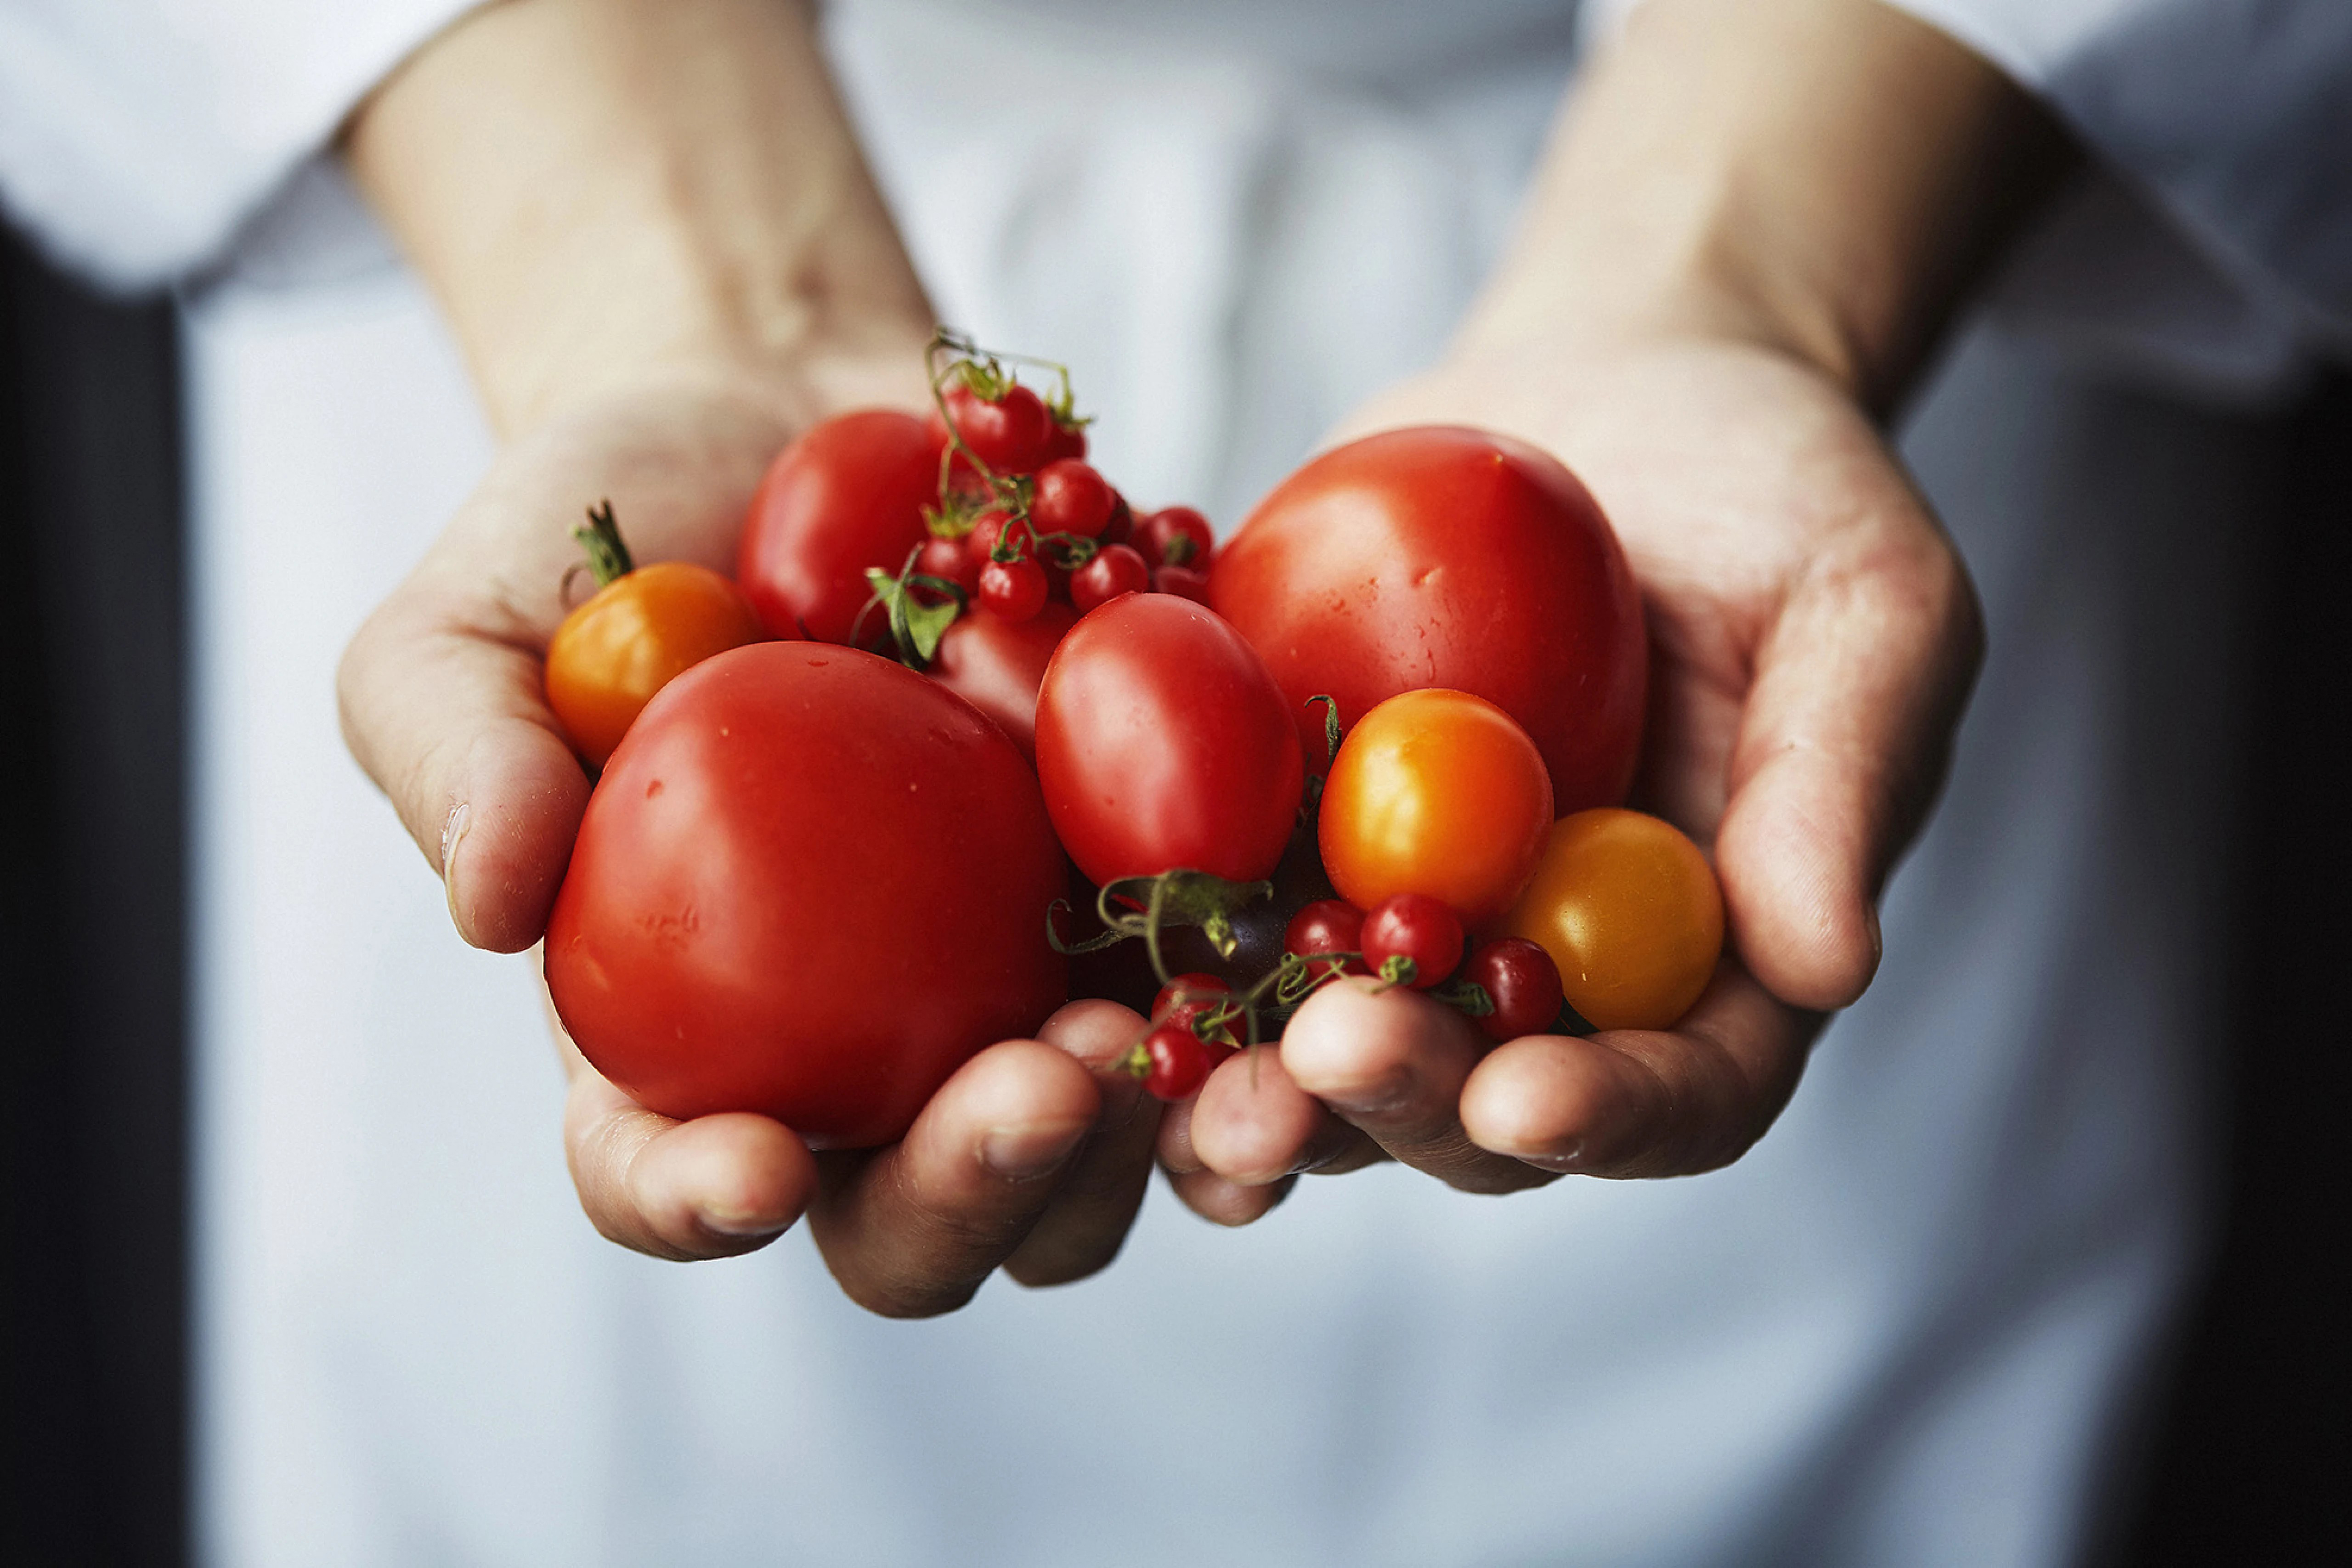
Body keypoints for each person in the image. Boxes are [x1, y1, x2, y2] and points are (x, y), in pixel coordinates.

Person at [4, 0, 2346, 1561]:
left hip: (1853, 166)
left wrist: (1740, 257)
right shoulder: (830, 625)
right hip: (567, 176)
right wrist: (657, 265)